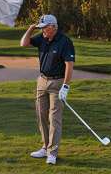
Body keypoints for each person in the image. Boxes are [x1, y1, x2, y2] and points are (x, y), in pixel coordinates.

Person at [19, 14, 74, 165]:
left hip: (57, 83)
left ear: (53, 27)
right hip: (42, 81)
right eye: (41, 28)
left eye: (45, 28)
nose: (43, 31)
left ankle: (52, 153)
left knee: (54, 118)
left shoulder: (65, 42)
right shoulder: (42, 38)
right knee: (41, 114)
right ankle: (45, 147)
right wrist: (31, 29)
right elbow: (23, 43)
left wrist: (66, 86)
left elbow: (69, 65)